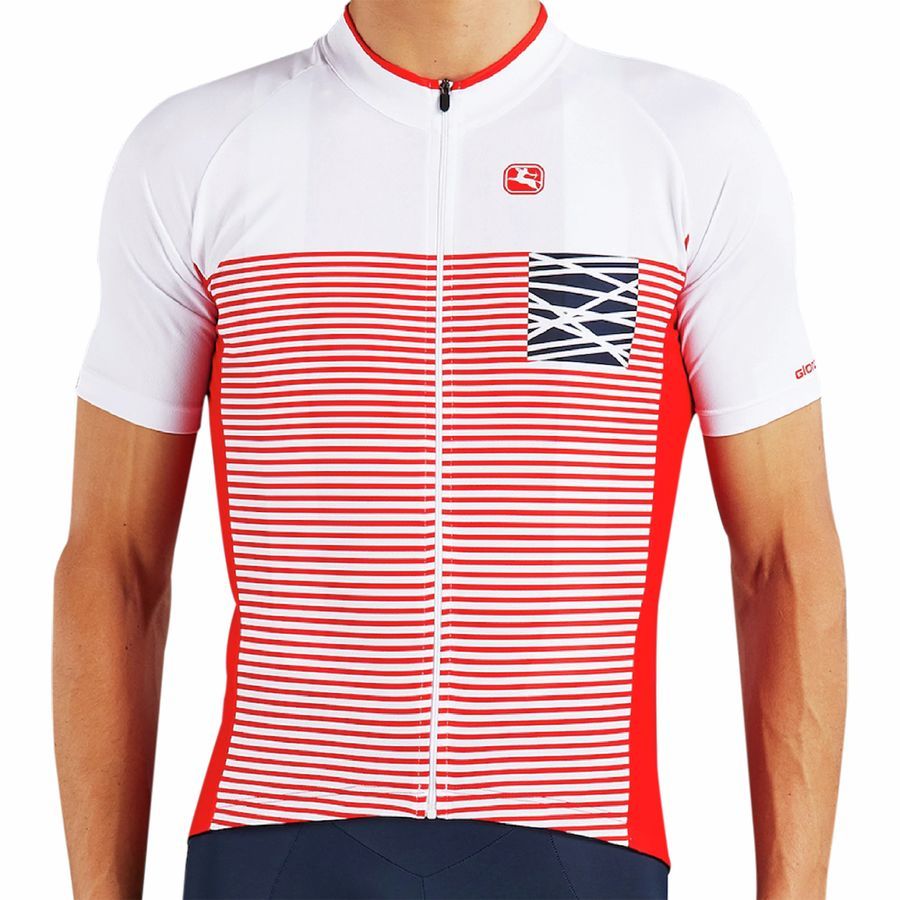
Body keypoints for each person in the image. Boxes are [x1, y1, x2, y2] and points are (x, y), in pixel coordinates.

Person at [53, 1, 847, 897]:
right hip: (275, 838)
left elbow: (784, 558)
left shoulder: (687, 146)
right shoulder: (196, 150)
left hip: (578, 841)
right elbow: (114, 564)